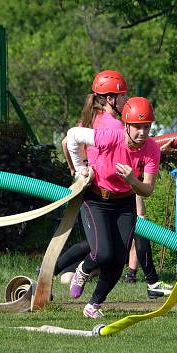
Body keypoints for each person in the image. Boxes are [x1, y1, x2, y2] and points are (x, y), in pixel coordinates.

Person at [65, 97, 161, 319]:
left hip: (124, 201)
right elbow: (72, 136)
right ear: (126, 125)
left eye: (147, 126)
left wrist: (131, 180)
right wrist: (80, 169)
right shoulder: (112, 136)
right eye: (137, 126)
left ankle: (93, 305)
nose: (142, 132)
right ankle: (83, 270)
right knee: (102, 253)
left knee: (119, 259)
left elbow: (147, 189)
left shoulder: (151, 149)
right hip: (96, 198)